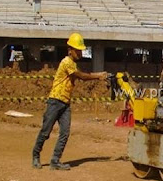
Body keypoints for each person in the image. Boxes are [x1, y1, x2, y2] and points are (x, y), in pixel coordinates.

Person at [32, 33, 107, 170]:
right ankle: (36, 155)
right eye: (78, 50)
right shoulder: (66, 62)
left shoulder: (72, 63)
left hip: (65, 103)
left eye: (81, 50)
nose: (80, 52)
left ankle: (55, 160)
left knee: (65, 133)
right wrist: (98, 76)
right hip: (55, 101)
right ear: (70, 50)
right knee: (46, 131)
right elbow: (82, 77)